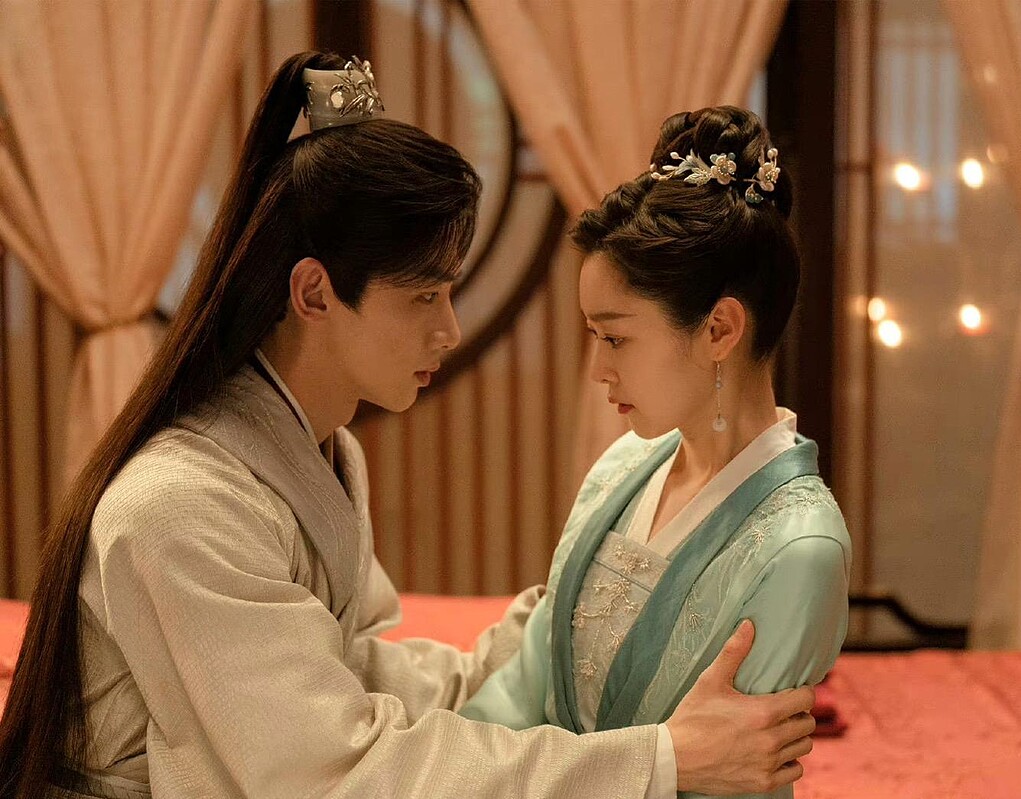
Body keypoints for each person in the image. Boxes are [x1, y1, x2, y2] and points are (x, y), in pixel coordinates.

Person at [0, 54, 819, 799]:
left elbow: (347, 672)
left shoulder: (321, 448)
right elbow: (335, 767)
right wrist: (659, 758)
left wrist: (566, 623)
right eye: (425, 295)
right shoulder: (181, 505)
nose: (450, 330)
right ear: (314, 293)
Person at [458, 106, 852, 799]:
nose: (598, 370)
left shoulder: (801, 550)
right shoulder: (623, 466)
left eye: (615, 338)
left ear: (719, 329)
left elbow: (732, 778)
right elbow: (524, 687)